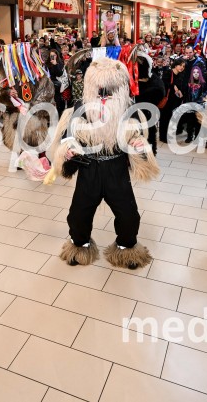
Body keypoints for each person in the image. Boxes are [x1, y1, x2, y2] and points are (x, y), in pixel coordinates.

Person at [52, 57, 159, 269]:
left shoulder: (131, 109)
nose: (104, 96)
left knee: (128, 215)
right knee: (79, 213)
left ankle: (126, 250)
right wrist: (69, 151)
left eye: (109, 90)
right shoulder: (79, 109)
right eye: (100, 90)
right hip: (88, 169)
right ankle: (79, 246)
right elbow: (67, 139)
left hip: (116, 170)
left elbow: (147, 146)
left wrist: (139, 147)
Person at [135, 54, 165, 155]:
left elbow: (160, 92)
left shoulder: (153, 81)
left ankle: (149, 153)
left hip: (147, 113)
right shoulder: (135, 82)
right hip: (136, 116)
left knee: (148, 133)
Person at [159, 56, 186, 143]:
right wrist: (173, 87)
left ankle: (167, 135)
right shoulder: (168, 72)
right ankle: (163, 137)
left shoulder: (181, 75)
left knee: (170, 117)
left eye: (183, 66)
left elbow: (180, 86)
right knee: (165, 118)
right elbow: (164, 84)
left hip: (175, 100)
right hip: (167, 99)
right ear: (176, 65)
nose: (182, 68)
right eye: (180, 65)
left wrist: (179, 91)